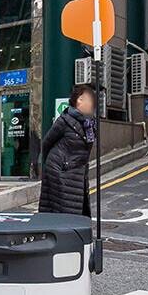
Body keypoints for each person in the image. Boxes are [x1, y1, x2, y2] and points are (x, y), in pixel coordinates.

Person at [38, 83, 96, 215]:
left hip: (78, 171)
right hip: (60, 170)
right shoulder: (65, 120)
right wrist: (54, 166)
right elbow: (47, 142)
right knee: (65, 210)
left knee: (76, 209)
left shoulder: (90, 124)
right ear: (78, 101)